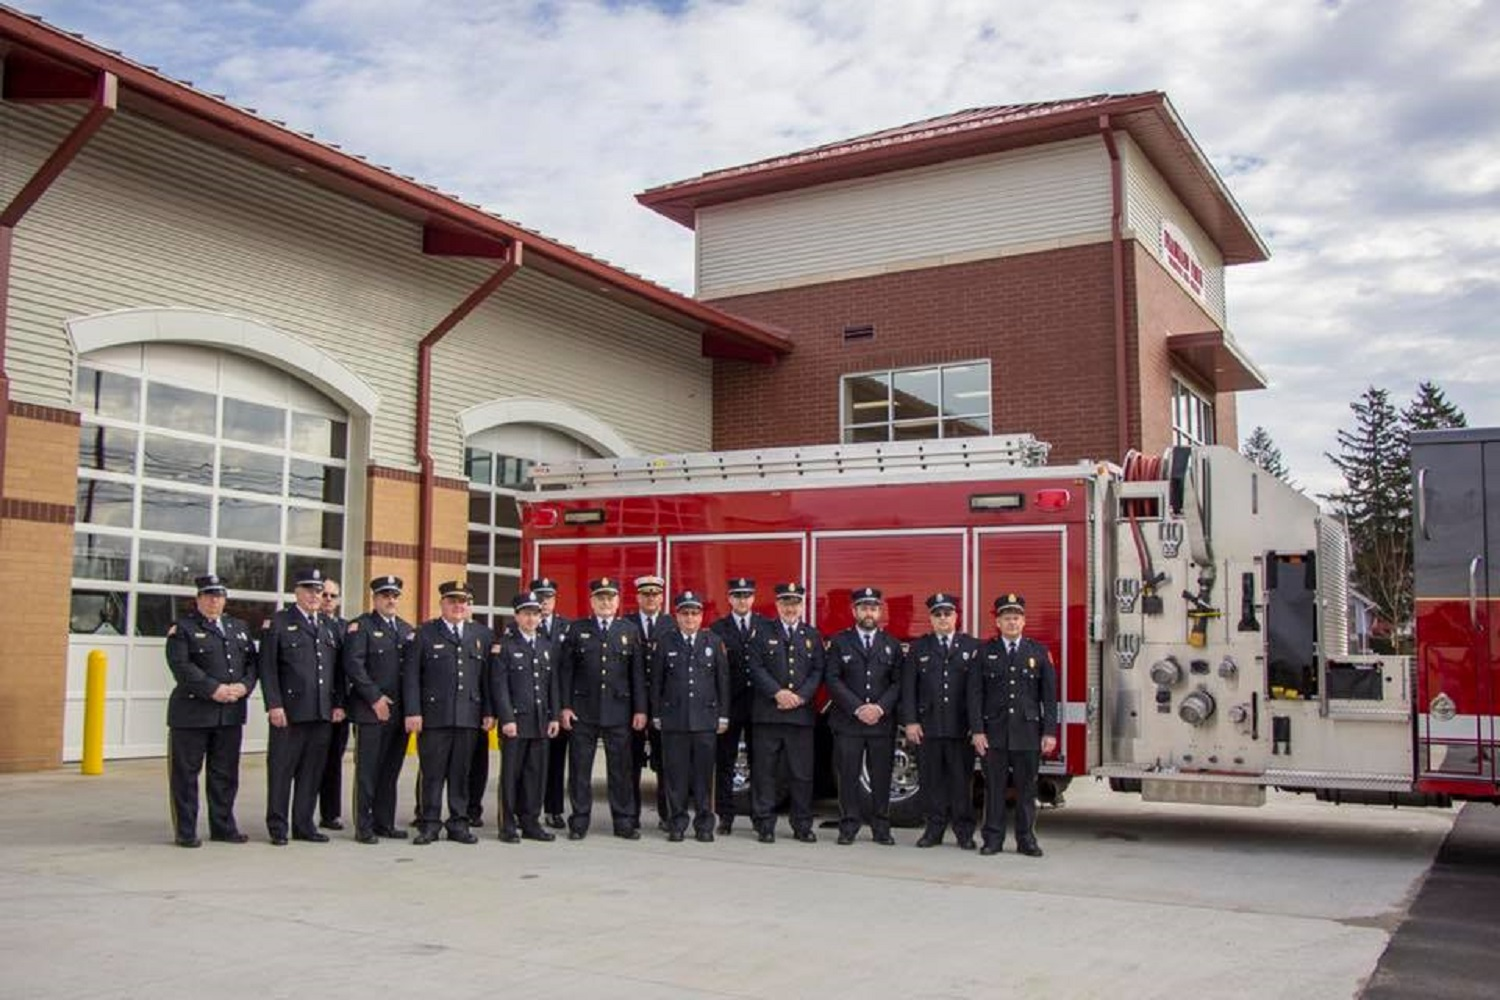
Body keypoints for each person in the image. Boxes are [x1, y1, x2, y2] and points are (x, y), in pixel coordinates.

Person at [164, 574, 257, 847]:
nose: (214, 600)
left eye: (219, 596)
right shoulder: (182, 628)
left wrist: (243, 686)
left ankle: (223, 826)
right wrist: (212, 688)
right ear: (198, 599)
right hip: (192, 713)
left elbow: (252, 663)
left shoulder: (237, 627)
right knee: (186, 775)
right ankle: (186, 830)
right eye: (209, 595)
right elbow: (180, 665)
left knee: (225, 774)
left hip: (229, 713)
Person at [402, 580, 495, 845]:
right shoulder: (425, 634)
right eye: (452, 601)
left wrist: (488, 711)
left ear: (469, 605)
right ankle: (429, 823)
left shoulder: (482, 635)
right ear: (442, 603)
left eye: (463, 601)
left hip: (468, 715)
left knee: (461, 773)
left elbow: (487, 678)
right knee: (432, 773)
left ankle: (459, 823)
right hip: (434, 717)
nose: (458, 606)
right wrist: (413, 711)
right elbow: (411, 677)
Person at [969, 593, 1059, 857]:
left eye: (1016, 618)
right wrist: (977, 731)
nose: (1012, 623)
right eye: (1006, 618)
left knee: (1026, 789)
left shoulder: (1038, 652)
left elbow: (1049, 697)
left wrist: (1049, 732)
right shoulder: (984, 652)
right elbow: (974, 695)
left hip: (1028, 733)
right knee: (994, 789)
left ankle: (1026, 839)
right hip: (994, 732)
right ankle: (992, 839)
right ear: (997, 622)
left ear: (1024, 621)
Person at [260, 566, 344, 845]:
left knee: (312, 772)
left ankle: (304, 824)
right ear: (296, 591)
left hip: (321, 712)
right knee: (282, 770)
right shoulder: (280, 623)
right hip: (290, 713)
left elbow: (338, 671)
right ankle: (278, 826)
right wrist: (274, 704)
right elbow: (268, 669)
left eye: (318, 591)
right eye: (308, 589)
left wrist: (337, 704)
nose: (314, 595)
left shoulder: (329, 626)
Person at [558, 577, 647, 840]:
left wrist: (640, 709)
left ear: (618, 602)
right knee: (580, 770)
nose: (605, 602)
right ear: (592, 601)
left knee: (621, 771)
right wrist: (565, 706)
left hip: (619, 711)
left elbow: (637, 675)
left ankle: (623, 821)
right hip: (583, 711)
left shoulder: (629, 630)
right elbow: (566, 672)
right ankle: (579, 821)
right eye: (600, 598)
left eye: (610, 598)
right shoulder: (577, 630)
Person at [901, 592, 980, 850]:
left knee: (961, 782)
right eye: (937, 614)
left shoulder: (971, 647)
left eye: (947, 614)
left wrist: (977, 726)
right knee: (931, 781)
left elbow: (978, 691)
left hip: (960, 728)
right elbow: (908, 689)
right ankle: (933, 830)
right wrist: (911, 722)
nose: (943, 618)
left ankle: (964, 832)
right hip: (929, 727)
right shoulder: (919, 648)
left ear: (956, 617)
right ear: (931, 619)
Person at [745, 582, 823, 844]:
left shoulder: (812, 635)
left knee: (801, 774)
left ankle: (802, 824)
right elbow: (755, 667)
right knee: (765, 773)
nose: (791, 608)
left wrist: (800, 697)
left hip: (800, 716)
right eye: (786, 603)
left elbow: (818, 671)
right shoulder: (761, 632)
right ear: (777, 605)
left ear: (802, 606)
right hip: (768, 714)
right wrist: (778, 693)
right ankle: (764, 823)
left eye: (795, 603)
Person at [826, 586, 903, 845]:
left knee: (881, 777)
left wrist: (879, 708)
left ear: (880, 612)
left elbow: (897, 682)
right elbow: (833, 678)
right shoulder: (840, 642)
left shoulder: (891, 644)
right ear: (854, 611)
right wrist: (858, 708)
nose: (868, 613)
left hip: (881, 724)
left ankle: (881, 827)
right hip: (849, 722)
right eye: (863, 608)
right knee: (848, 776)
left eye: (873, 608)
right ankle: (848, 826)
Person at [651, 591, 730, 842]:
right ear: (677, 616)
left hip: (705, 721)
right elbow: (656, 682)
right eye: (685, 613)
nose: (689, 618)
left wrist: (723, 716)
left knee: (704, 777)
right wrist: (656, 714)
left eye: (694, 613)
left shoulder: (713, 642)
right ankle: (677, 824)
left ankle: (705, 825)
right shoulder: (665, 642)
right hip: (674, 720)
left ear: (701, 616)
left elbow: (722, 683)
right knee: (675, 776)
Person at [341, 575, 413, 844]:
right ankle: (364, 826)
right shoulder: (361, 627)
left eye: (394, 595)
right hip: (370, 711)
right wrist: (375, 698)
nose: (391, 600)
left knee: (390, 771)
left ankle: (385, 822)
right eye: (385, 595)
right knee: (367, 772)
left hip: (398, 712)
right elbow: (354, 666)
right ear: (375, 598)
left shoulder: (406, 630)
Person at [488, 589, 560, 843]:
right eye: (526, 614)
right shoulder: (505, 646)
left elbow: (552, 684)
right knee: (511, 775)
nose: (531, 619)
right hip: (516, 722)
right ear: (517, 616)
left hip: (540, 720)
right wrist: (506, 718)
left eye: (535, 614)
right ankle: (507, 825)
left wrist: (554, 716)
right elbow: (499, 686)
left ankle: (531, 822)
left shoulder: (545, 644)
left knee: (535, 775)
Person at [709, 576, 767, 835]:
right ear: (729, 599)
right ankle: (725, 816)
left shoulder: (766, 626)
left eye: (747, 596)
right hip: (729, 704)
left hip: (759, 704)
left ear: (753, 598)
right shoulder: (717, 628)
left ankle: (760, 816)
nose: (742, 600)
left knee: (761, 763)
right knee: (725, 762)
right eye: (737, 596)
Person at [624, 574, 669, 829]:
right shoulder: (626, 624)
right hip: (632, 706)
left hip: (663, 705)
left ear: (661, 597)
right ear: (638, 597)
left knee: (666, 765)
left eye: (655, 594)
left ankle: (666, 815)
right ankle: (631, 816)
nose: (651, 598)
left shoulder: (671, 624)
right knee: (630, 764)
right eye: (646, 594)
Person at [534, 577, 572, 830]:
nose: (544, 602)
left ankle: (554, 810)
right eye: (539, 597)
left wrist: (565, 706)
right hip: (533, 704)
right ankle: (527, 809)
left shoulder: (567, 628)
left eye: (548, 597)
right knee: (531, 762)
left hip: (558, 703)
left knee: (557, 761)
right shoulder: (523, 626)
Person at [316, 578, 348, 831]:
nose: (328, 599)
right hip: (311, 706)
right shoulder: (307, 624)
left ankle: (330, 813)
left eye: (332, 595)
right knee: (308, 763)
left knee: (333, 762)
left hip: (338, 707)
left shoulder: (346, 628)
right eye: (324, 594)